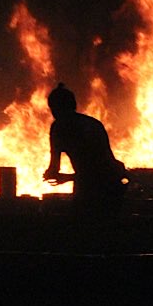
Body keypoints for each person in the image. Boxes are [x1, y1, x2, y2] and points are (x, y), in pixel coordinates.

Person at [43, 83, 126, 216]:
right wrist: (52, 174)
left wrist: (64, 177)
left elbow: (99, 171)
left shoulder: (68, 128)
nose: (54, 113)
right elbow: (54, 166)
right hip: (100, 184)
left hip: (102, 187)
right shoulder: (90, 124)